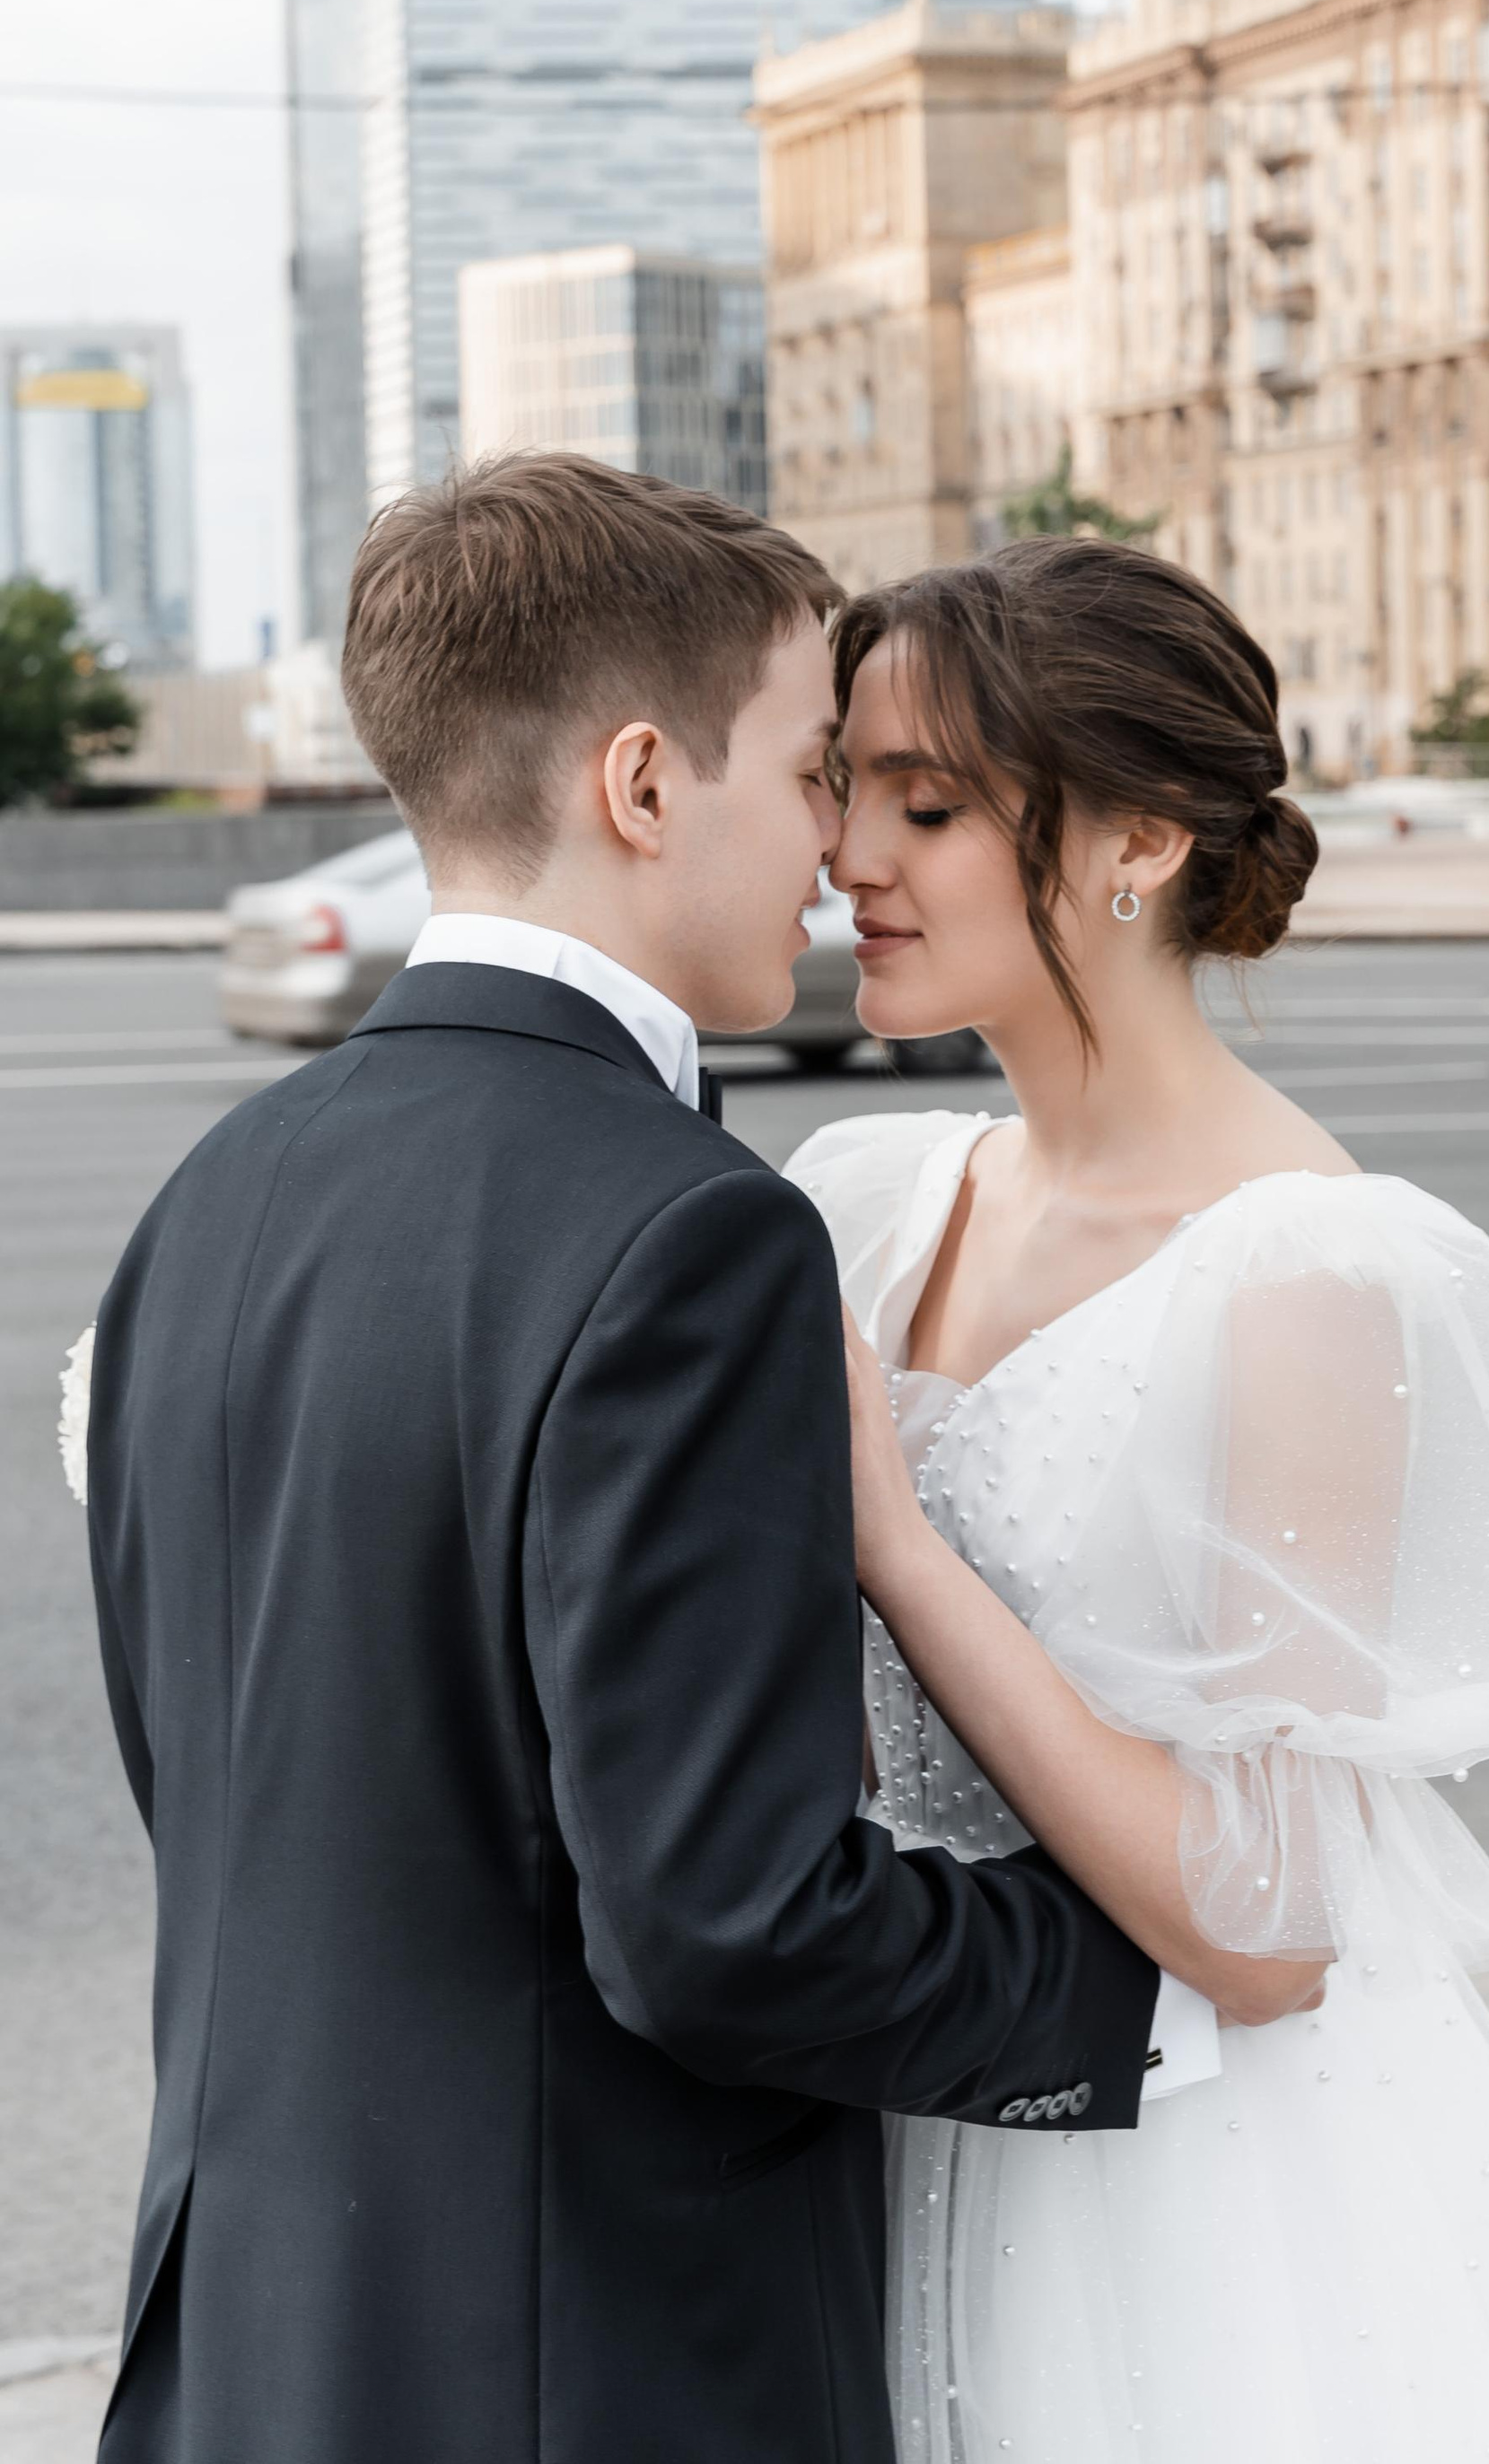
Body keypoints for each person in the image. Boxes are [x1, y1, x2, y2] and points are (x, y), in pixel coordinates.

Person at [67, 459, 1318, 2464]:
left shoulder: (215, 1196)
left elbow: (232, 1789)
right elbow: (730, 1929)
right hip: (592, 2364)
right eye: (816, 770)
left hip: (256, 2347)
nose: (838, 844)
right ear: (644, 786)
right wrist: (1144, 1986)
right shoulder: (690, 1231)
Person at [787, 534, 1489, 2463]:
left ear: (1140, 840)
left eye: (924, 806)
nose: (846, 856)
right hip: (896, 2094)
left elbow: (1270, 1927)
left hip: (1182, 2180)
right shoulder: (870, 1200)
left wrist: (896, 1549)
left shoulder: (1305, 1269)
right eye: (841, 790)